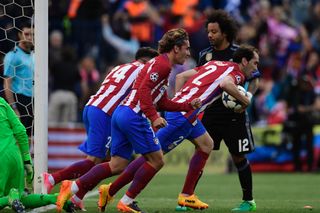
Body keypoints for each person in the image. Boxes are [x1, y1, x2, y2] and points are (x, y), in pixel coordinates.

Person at [97, 44, 259, 212]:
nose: (256, 68)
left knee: (206, 144)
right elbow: (226, 83)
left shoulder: (215, 64)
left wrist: (181, 100)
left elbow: (181, 77)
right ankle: (113, 191)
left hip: (186, 112)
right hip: (183, 117)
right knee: (152, 157)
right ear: (244, 61)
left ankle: (187, 195)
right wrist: (246, 101)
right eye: (255, 63)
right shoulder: (237, 74)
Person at [55, 28, 201, 213]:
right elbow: (143, 92)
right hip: (133, 116)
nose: (188, 53)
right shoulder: (162, 65)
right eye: (186, 48)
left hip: (121, 113)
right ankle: (127, 201)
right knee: (157, 160)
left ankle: (74, 188)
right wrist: (153, 117)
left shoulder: (160, 65)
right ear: (176, 48)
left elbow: (161, 100)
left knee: (118, 164)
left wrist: (187, 106)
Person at [42, 47, 159, 197]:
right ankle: (52, 179)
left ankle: (77, 197)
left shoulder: (119, 67)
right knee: (94, 160)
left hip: (93, 107)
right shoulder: (143, 70)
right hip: (105, 113)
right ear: (146, 61)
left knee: (115, 163)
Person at [177, 10, 260, 212]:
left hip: (234, 114)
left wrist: (246, 98)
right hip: (211, 113)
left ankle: (248, 201)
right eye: (209, 31)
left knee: (238, 157)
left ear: (225, 32)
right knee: (201, 151)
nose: (210, 35)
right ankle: (188, 197)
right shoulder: (204, 55)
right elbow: (199, 81)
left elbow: (254, 78)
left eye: (214, 31)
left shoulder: (239, 54)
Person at [0, 97, 75, 213]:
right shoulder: (2, 101)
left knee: (8, 199)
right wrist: (26, 160)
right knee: (20, 198)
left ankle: (8, 199)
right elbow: (20, 130)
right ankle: (54, 198)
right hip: (14, 155)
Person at [3, 21, 34, 137]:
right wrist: (13, 108)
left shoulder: (35, 54)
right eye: (27, 34)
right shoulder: (13, 56)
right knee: (19, 138)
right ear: (20, 35)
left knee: (29, 136)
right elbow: (7, 83)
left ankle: (28, 156)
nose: (30, 37)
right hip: (20, 100)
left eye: (33, 34)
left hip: (32, 100)